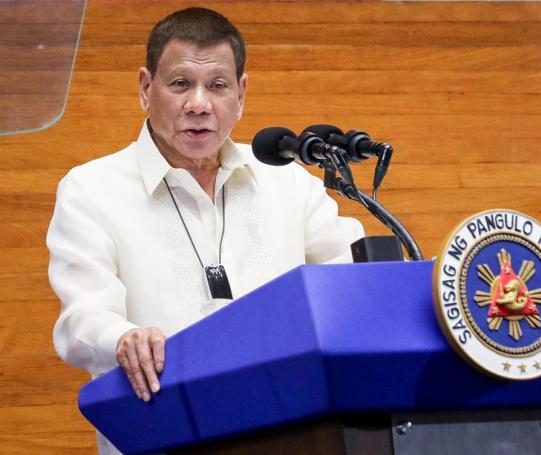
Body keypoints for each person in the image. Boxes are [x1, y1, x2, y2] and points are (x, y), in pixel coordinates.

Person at [46, 7, 363, 454]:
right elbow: (82, 316)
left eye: (217, 85)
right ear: (144, 89)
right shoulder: (91, 190)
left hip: (293, 431)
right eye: (180, 84)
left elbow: (354, 277)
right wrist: (122, 338)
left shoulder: (287, 180)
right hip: (164, 429)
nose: (199, 104)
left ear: (241, 94)